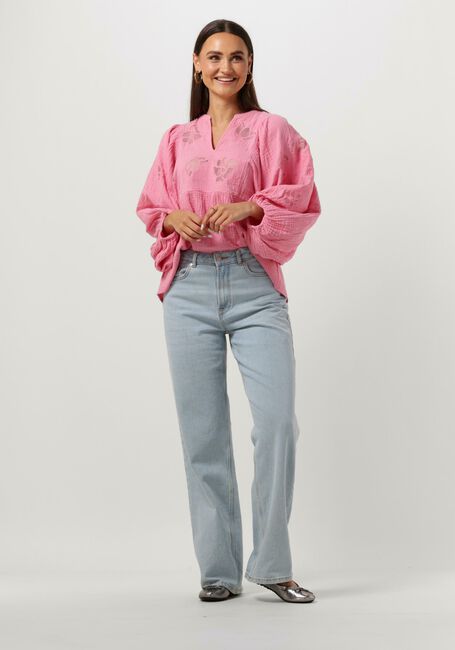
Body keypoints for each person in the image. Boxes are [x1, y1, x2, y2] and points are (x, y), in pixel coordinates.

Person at [136, 19, 321, 603]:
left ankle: (272, 564)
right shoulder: (176, 139)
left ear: (249, 66)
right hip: (188, 288)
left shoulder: (270, 129)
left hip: (253, 285)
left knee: (277, 423)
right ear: (197, 64)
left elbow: (301, 194)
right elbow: (152, 206)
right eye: (214, 56)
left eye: (237, 57)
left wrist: (251, 206)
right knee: (203, 434)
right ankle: (218, 571)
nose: (225, 67)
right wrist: (172, 218)